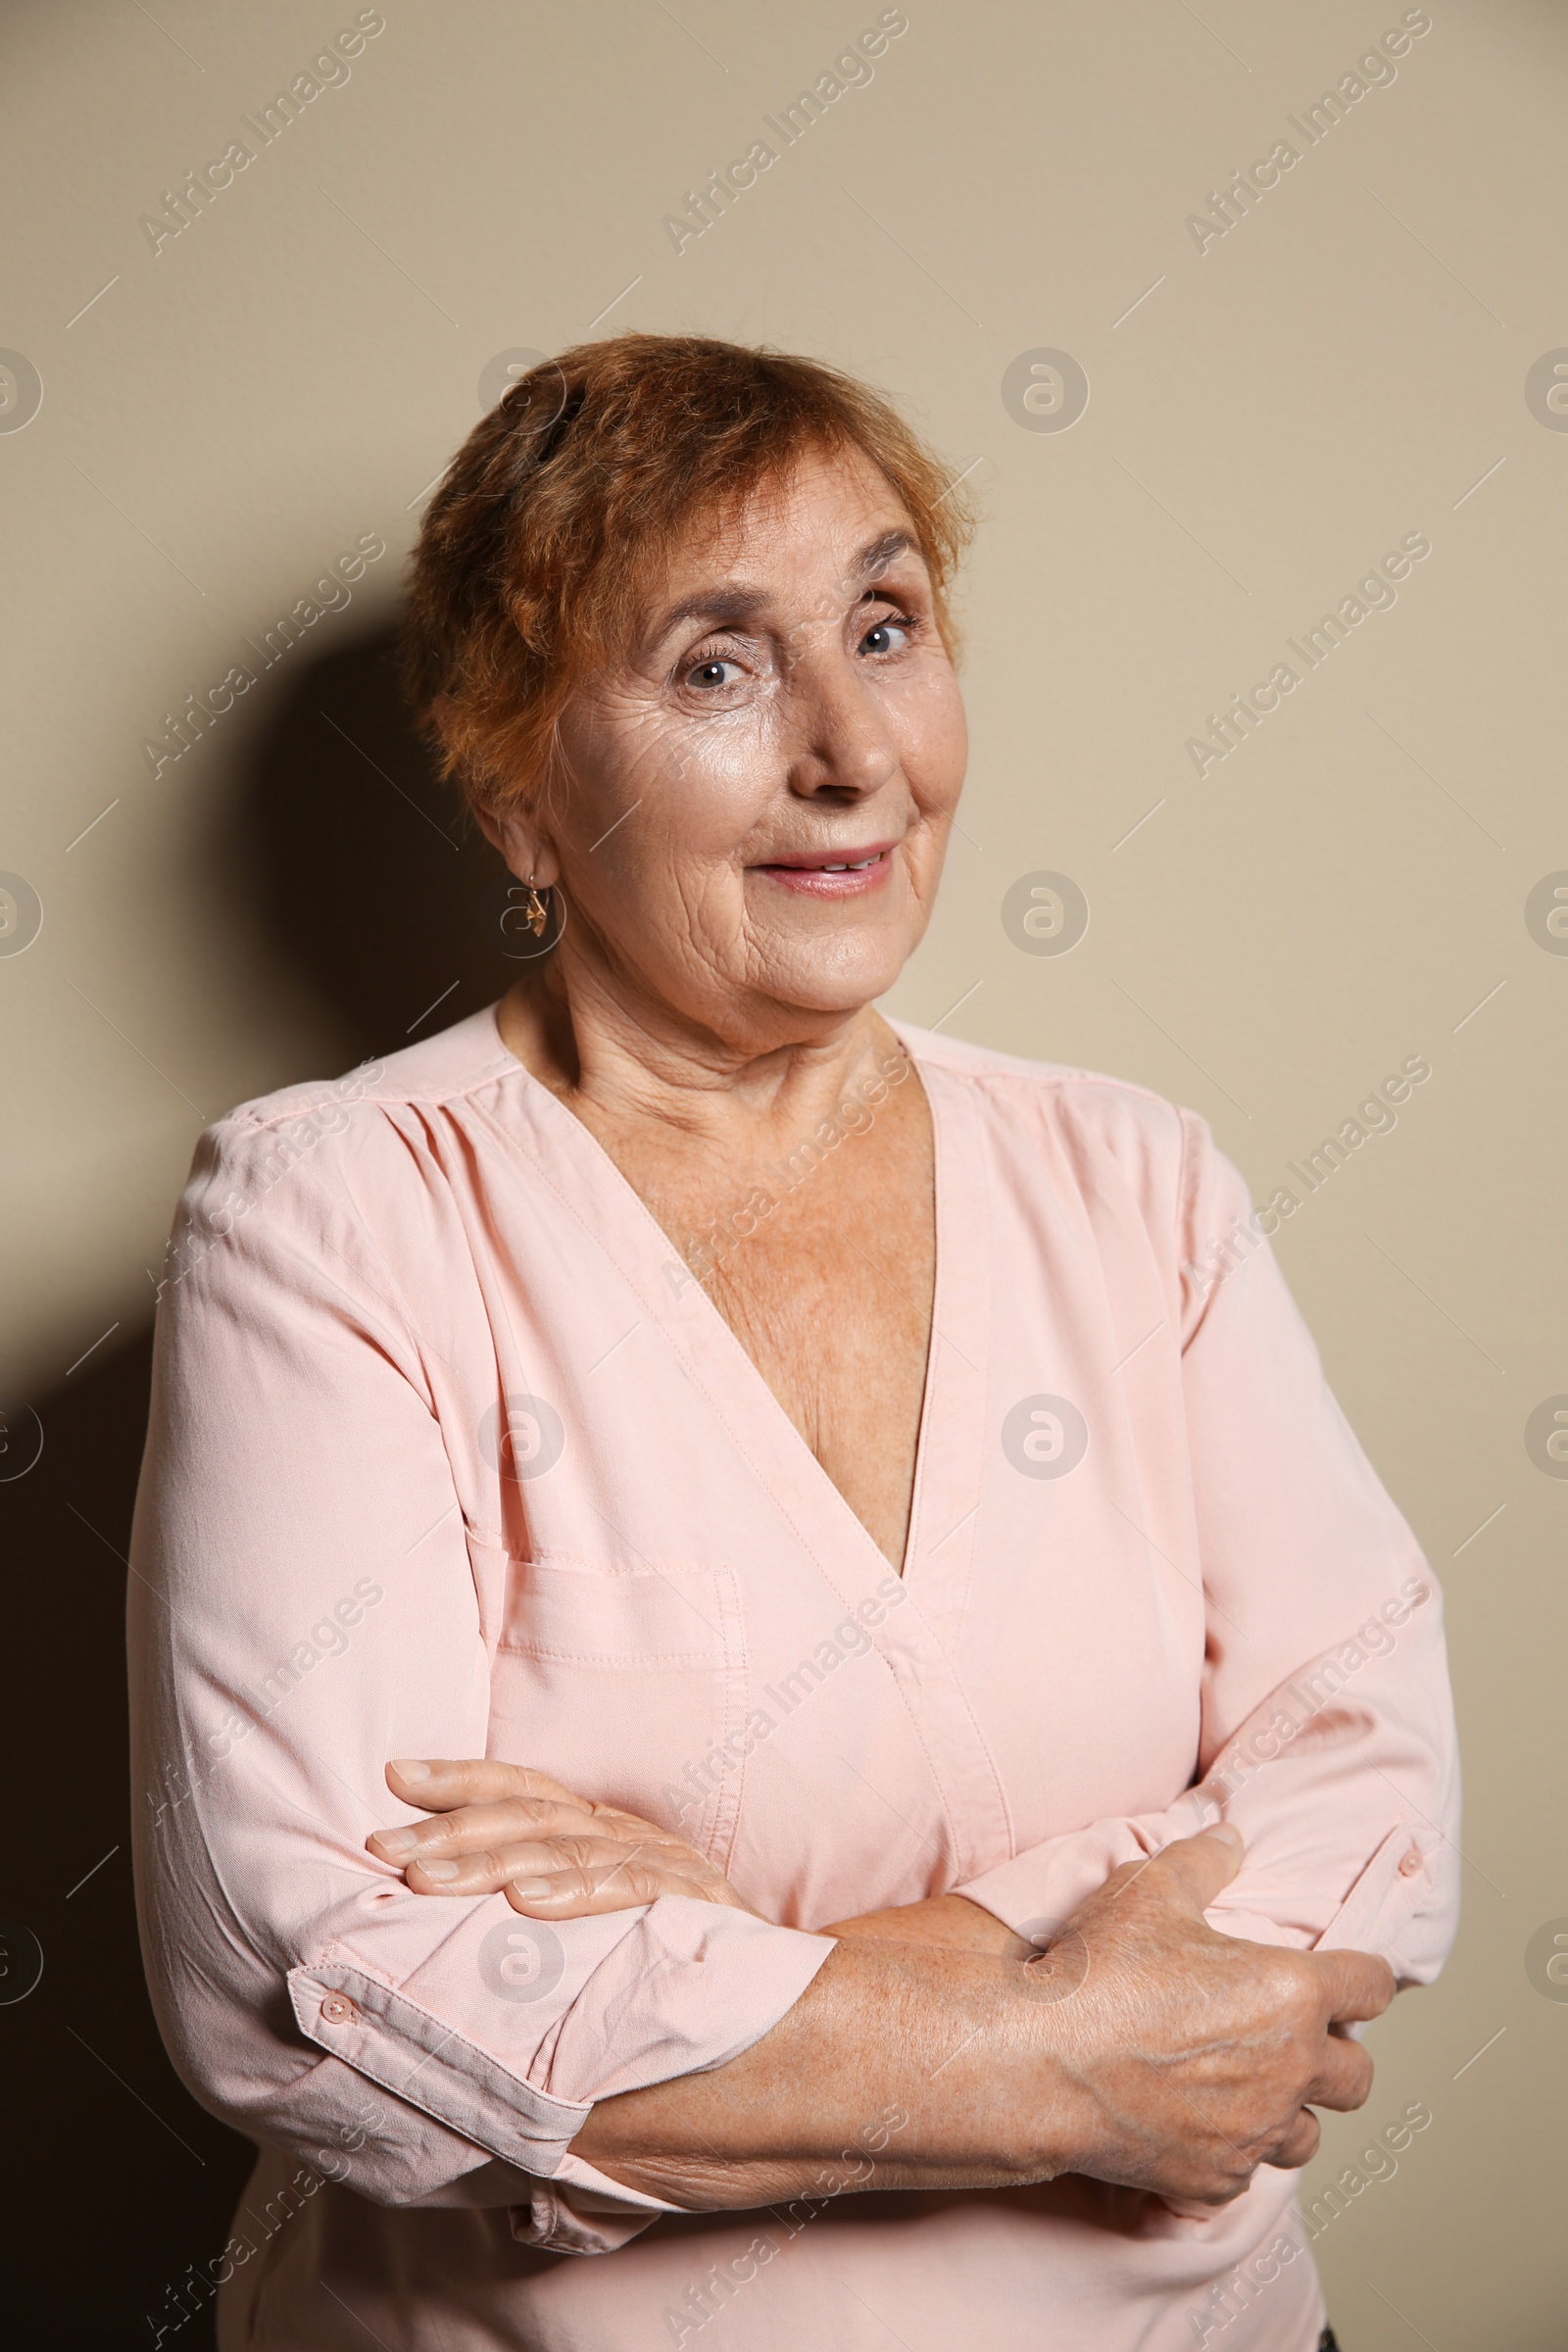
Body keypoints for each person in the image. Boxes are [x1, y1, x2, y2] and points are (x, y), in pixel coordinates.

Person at [128, 333, 1458, 2352]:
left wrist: (768, 1945)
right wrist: (1061, 2051)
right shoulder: (335, 1216)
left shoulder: (1135, 1177)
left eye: (886, 623)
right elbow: (306, 1983)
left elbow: (1367, 1787)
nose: (852, 752)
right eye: (716, 667)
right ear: (513, 801)